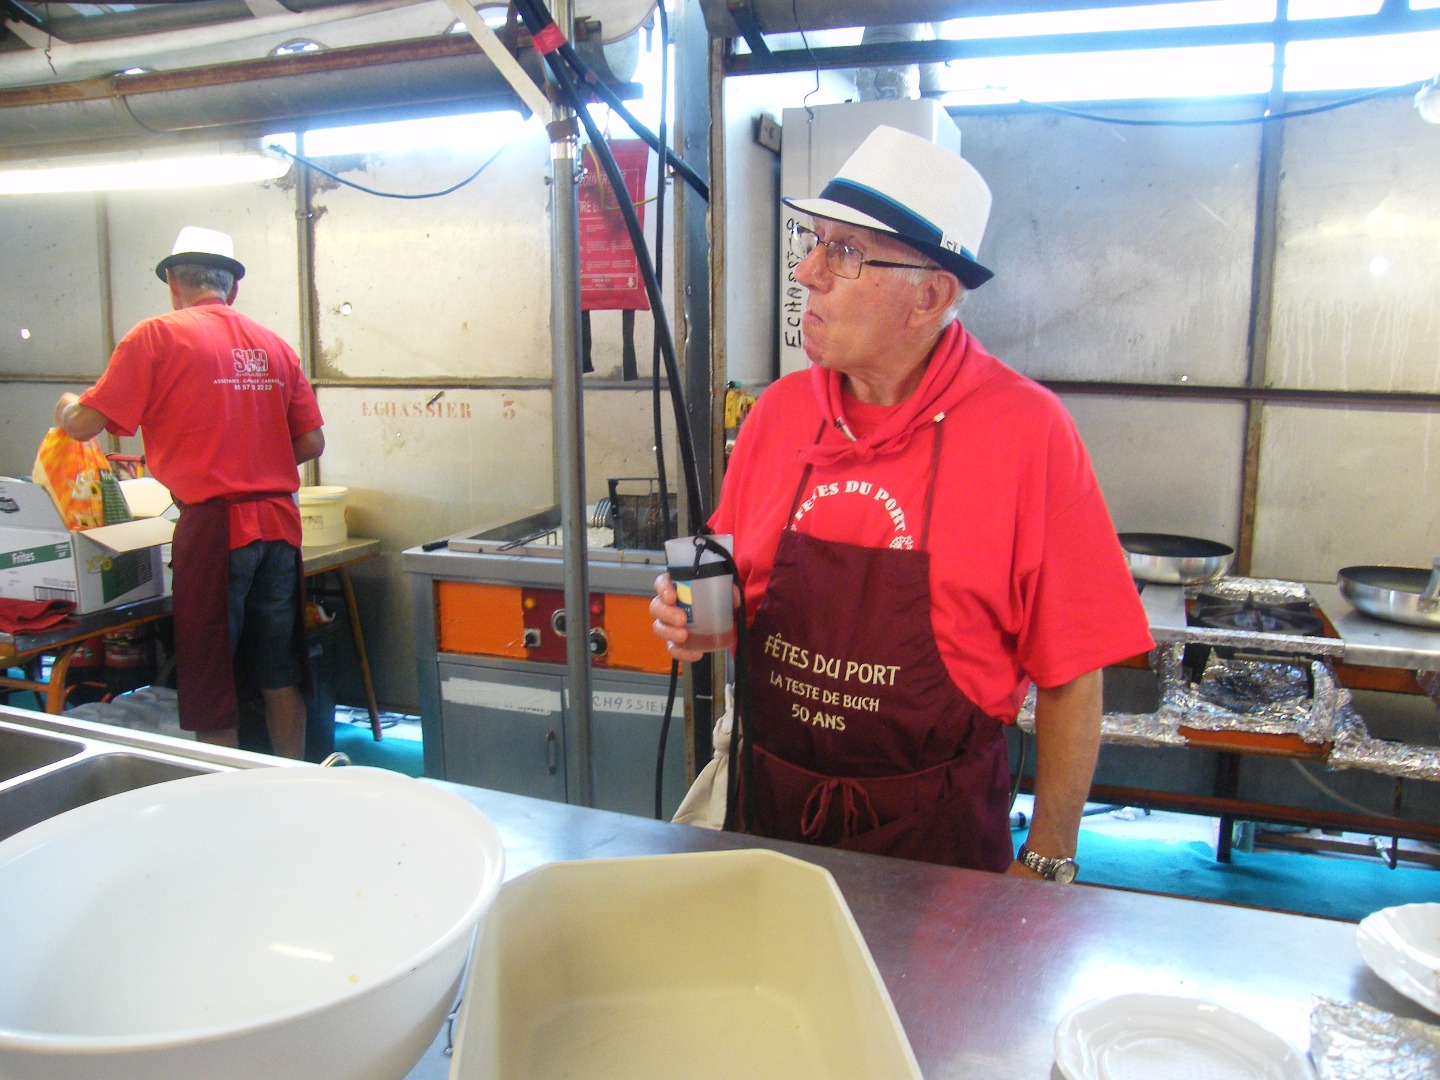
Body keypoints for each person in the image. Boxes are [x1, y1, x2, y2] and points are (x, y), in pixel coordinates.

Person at [651, 126, 1154, 880]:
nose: (806, 272)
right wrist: (691, 616)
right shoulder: (778, 415)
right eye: (813, 242)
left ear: (931, 295)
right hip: (769, 819)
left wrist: (1049, 857)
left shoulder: (1027, 433)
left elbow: (1073, 673)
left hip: (937, 845)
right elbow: (726, 585)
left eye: (845, 252)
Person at [55, 226, 324, 759]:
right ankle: (291, 782)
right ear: (232, 288)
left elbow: (85, 425)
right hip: (279, 524)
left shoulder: (157, 336)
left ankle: (219, 793)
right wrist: (255, 461)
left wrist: (65, 406)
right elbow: (311, 441)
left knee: (210, 680)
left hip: (214, 528)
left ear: (174, 284)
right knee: (279, 672)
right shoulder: (275, 345)